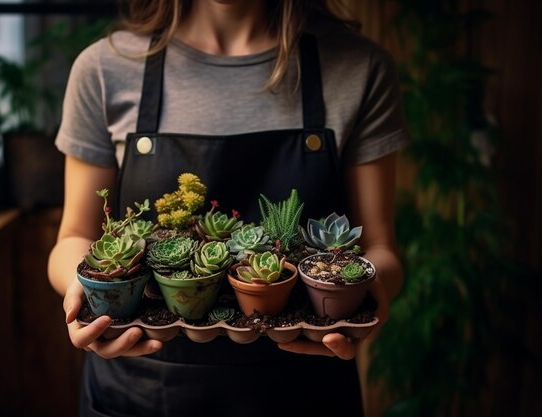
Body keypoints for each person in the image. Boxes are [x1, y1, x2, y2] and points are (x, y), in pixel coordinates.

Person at [48, 1, 409, 416]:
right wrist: (86, 292)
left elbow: (380, 249)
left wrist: (366, 290)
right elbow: (73, 237)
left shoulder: (358, 66)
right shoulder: (105, 68)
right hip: (141, 387)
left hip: (303, 386)